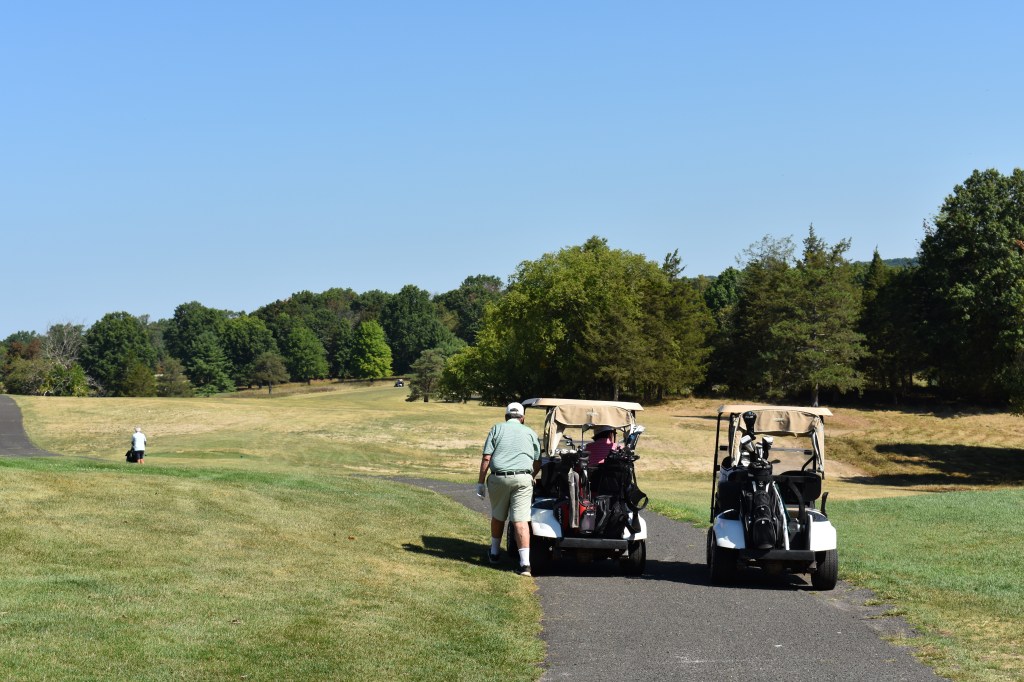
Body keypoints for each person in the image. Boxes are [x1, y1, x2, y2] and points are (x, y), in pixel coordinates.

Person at [476, 402, 541, 576]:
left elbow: (487, 458)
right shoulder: (530, 432)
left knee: (498, 516)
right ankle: (525, 564)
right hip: (523, 479)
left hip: (499, 478)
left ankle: (495, 553)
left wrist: (480, 482)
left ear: (506, 416)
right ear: (522, 418)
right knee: (521, 520)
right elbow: (537, 460)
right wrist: (531, 476)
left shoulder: (497, 429)